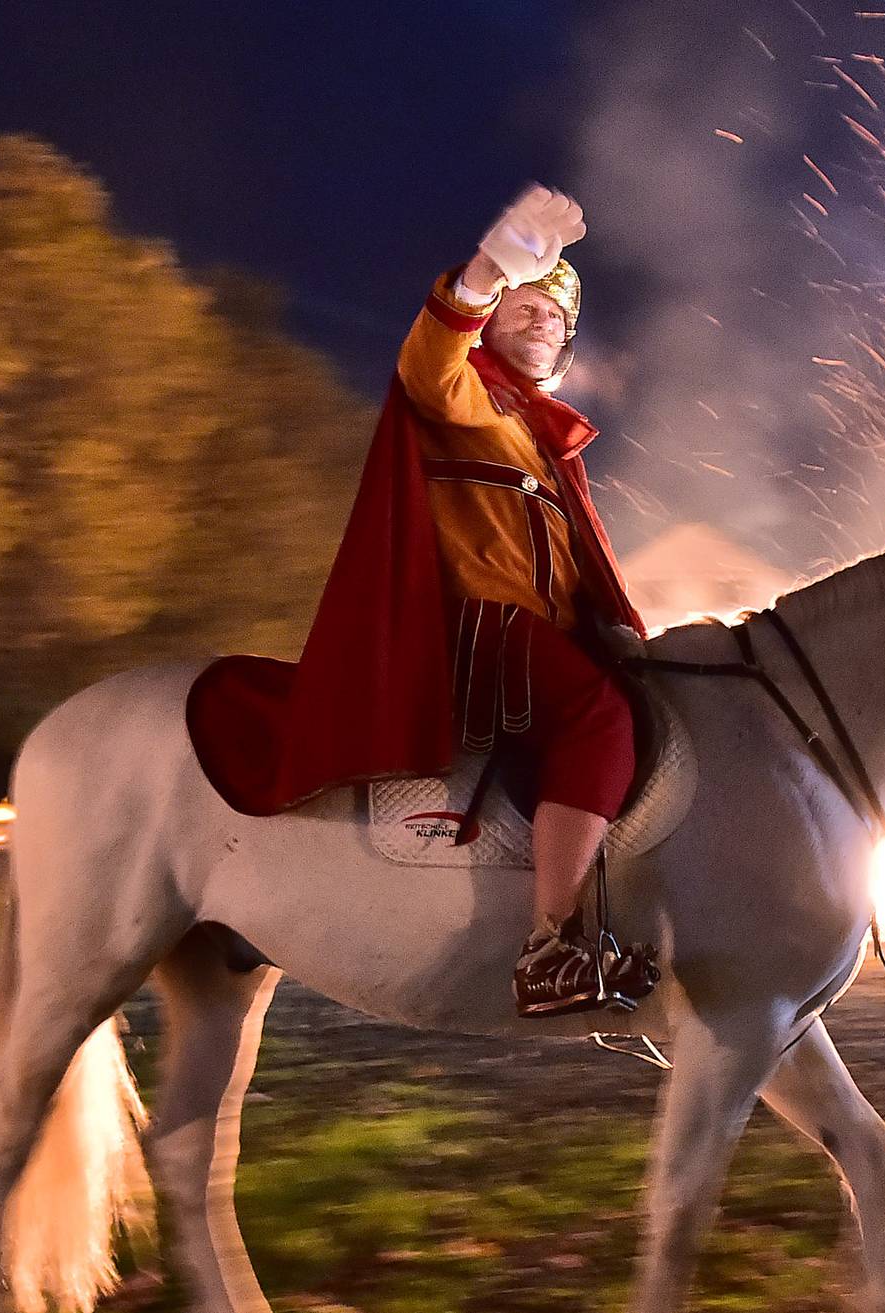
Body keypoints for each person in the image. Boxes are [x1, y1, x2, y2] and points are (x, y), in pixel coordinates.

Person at [186, 187, 655, 1018]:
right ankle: (549, 945)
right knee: (598, 714)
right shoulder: (465, 390)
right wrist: (485, 272)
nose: (543, 317)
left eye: (556, 313)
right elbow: (432, 364)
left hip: (536, 633)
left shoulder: (542, 437)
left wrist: (615, 626)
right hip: (475, 632)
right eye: (526, 301)